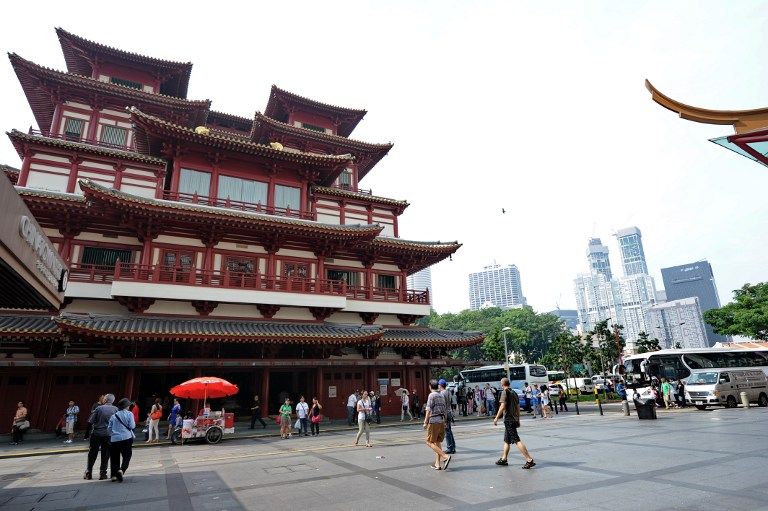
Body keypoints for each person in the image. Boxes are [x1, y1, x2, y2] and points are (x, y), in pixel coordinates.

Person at [493, 377, 535, 469]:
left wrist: (496, 418)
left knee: (516, 440)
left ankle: (529, 459)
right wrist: (518, 419)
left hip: (508, 419)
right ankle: (504, 459)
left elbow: (502, 406)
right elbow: (518, 406)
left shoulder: (505, 392)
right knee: (506, 440)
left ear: (502, 384)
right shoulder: (514, 392)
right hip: (513, 419)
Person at [85, 394, 118, 480]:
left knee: (92, 453)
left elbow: (90, 421)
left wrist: (86, 434)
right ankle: (103, 473)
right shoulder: (116, 409)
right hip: (108, 435)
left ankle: (89, 472)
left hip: (96, 434)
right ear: (113, 401)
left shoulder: (99, 408)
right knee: (106, 454)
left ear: (105, 400)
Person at [423, 379, 451, 471]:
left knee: (428, 442)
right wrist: (446, 422)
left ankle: (445, 456)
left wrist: (425, 422)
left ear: (430, 386)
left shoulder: (432, 395)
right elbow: (445, 409)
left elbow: (428, 409)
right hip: (442, 421)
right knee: (437, 442)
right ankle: (437, 464)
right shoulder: (441, 395)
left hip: (434, 421)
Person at [108, 398, 135, 482]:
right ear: (126, 406)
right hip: (126, 438)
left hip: (115, 440)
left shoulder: (113, 416)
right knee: (127, 456)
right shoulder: (129, 414)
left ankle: (114, 476)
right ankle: (121, 470)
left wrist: (113, 435)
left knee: (114, 458)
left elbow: (109, 429)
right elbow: (132, 426)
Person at [438, 379, 456, 454]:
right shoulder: (448, 391)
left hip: (445, 413)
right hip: (449, 412)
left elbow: (442, 405)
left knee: (447, 431)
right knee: (449, 431)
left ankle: (450, 448)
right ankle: (453, 447)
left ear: (440, 385)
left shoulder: (442, 393)